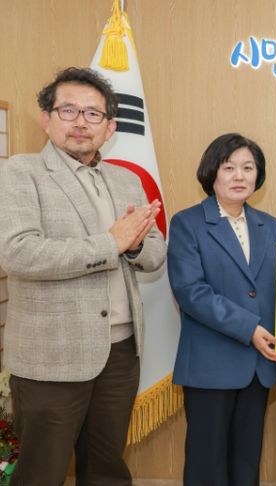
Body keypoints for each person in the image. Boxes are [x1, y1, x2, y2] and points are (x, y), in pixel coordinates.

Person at [0, 67, 166, 485]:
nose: (80, 122)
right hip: (51, 355)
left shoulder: (127, 180)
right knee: (42, 472)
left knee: (107, 469)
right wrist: (111, 243)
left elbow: (155, 252)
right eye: (68, 110)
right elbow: (18, 253)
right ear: (47, 119)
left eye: (93, 114)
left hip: (120, 352)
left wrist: (135, 245)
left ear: (109, 128)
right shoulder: (20, 172)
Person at [167, 133, 276, 485]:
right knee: (207, 465)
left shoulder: (271, 226)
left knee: (246, 462)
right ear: (211, 172)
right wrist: (249, 328)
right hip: (210, 364)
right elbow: (191, 291)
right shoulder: (188, 223)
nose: (239, 176)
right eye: (229, 167)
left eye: (248, 168)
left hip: (259, 365)